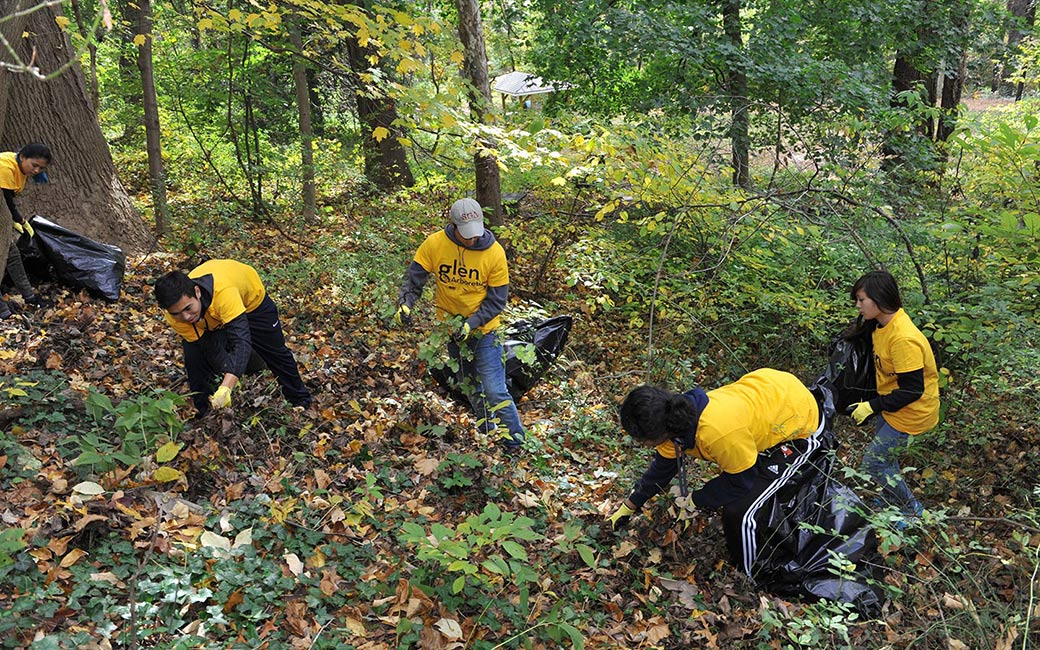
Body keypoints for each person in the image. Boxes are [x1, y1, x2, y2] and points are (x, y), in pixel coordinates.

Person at [606, 368, 824, 528]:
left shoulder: (718, 433)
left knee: (742, 511)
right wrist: (630, 505)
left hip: (799, 414)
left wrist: (696, 500)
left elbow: (741, 480)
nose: (642, 445)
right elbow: (662, 469)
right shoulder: (673, 420)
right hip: (769, 390)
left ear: (659, 433)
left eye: (642, 440)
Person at [395, 198, 525, 454]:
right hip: (452, 330)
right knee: (471, 387)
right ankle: (487, 434)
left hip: (486, 331)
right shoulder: (435, 244)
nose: (473, 239)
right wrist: (405, 304)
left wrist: (472, 323)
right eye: (467, 235)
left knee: (495, 390)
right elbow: (414, 279)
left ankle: (515, 444)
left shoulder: (494, 252)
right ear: (453, 225)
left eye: (476, 233)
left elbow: (497, 300)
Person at [154, 259, 312, 417]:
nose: (186, 316)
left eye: (188, 308)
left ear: (197, 292)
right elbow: (209, 347)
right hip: (211, 315)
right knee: (194, 356)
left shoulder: (224, 293)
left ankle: (299, 400)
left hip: (251, 303)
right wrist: (227, 379)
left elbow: (241, 340)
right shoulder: (174, 316)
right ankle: (205, 411)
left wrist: (227, 386)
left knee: (275, 351)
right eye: (177, 313)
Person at [847, 269, 939, 518]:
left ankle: (912, 512)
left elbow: (912, 390)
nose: (858, 305)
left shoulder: (903, 338)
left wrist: (872, 406)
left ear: (879, 299)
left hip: (911, 413)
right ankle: (892, 501)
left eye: (861, 299)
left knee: (874, 464)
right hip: (892, 407)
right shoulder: (882, 324)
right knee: (886, 460)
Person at [0, 143, 51, 319]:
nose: (37, 170)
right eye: (34, 165)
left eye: (41, 168)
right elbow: (5, 199)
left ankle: (29, 297)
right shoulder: (5, 166)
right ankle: (2, 310)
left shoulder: (20, 167)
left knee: (11, 253)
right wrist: (19, 219)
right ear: (22, 157)